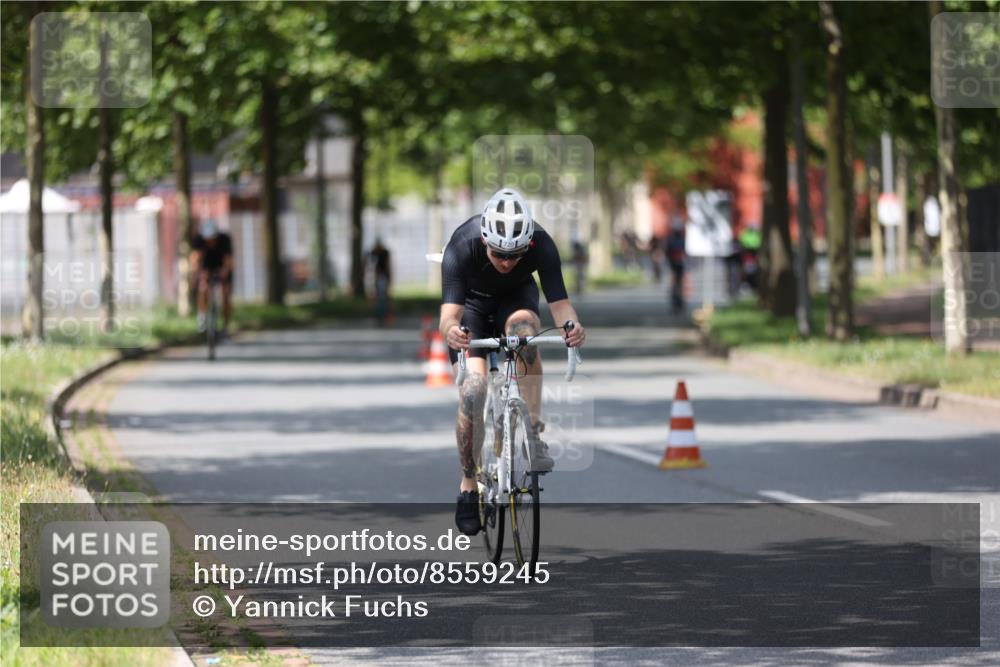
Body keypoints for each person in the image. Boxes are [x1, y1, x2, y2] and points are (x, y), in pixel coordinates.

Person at [439, 188, 586, 536]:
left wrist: (573, 327)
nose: (506, 262)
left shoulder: (543, 244)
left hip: (516, 300)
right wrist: (451, 333)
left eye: (515, 255)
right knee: (474, 391)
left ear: (528, 244)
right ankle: (468, 484)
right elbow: (449, 315)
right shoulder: (462, 244)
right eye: (498, 254)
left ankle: (532, 432)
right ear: (484, 240)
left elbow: (560, 305)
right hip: (471, 309)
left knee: (526, 337)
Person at [190, 219, 233, 335]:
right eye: (207, 239)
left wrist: (224, 273)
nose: (210, 241)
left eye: (212, 238)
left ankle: (225, 326)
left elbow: (228, 261)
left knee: (226, 294)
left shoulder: (225, 240)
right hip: (206, 266)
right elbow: (195, 260)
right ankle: (202, 316)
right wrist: (199, 274)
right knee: (203, 287)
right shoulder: (198, 240)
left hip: (221, 265)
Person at [367, 238, 392, 326]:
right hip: (378, 277)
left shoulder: (383, 253)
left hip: (382, 277)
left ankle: (382, 314)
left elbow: (387, 265)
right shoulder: (375, 253)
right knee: (379, 297)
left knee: (382, 297)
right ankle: (380, 314)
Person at [665, 217, 686, 314]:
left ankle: (678, 301)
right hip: (675, 264)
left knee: (678, 284)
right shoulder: (679, 239)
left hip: (678, 264)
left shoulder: (679, 239)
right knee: (676, 284)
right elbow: (668, 252)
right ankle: (677, 301)